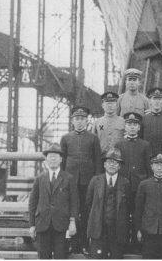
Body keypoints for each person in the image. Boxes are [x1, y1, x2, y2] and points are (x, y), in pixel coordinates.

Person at [60, 106, 101, 255]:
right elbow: (62, 161)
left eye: (82, 119)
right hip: (70, 181)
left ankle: (84, 244)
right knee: (71, 212)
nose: (79, 122)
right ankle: (72, 243)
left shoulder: (93, 138)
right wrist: (62, 180)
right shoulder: (66, 138)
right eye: (77, 119)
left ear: (87, 121)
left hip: (88, 182)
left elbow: (97, 161)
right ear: (72, 121)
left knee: (85, 212)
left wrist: (96, 181)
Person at [29, 143, 79, 260]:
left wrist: (73, 222)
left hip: (61, 226)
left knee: (61, 256)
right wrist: (32, 225)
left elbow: (74, 203)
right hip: (42, 225)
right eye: (50, 156)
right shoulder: (40, 179)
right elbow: (32, 203)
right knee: (43, 257)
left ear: (61, 159)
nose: (52, 158)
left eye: (55, 156)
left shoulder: (69, 178)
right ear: (45, 159)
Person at [85, 148, 131, 259]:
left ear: (119, 166)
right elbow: (88, 205)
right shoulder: (95, 181)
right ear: (104, 164)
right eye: (109, 162)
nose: (112, 165)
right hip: (98, 231)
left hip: (117, 232)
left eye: (115, 163)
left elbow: (129, 207)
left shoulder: (125, 183)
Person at [114, 112, 152, 227]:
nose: (132, 127)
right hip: (123, 185)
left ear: (139, 127)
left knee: (138, 213)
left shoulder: (145, 145)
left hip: (139, 185)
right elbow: (116, 166)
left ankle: (137, 241)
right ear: (125, 127)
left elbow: (148, 167)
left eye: (135, 125)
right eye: (129, 124)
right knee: (122, 215)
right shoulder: (119, 145)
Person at [140, 87, 162, 155]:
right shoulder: (144, 119)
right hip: (147, 155)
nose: (157, 101)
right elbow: (140, 140)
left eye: (159, 99)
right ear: (150, 101)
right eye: (154, 99)